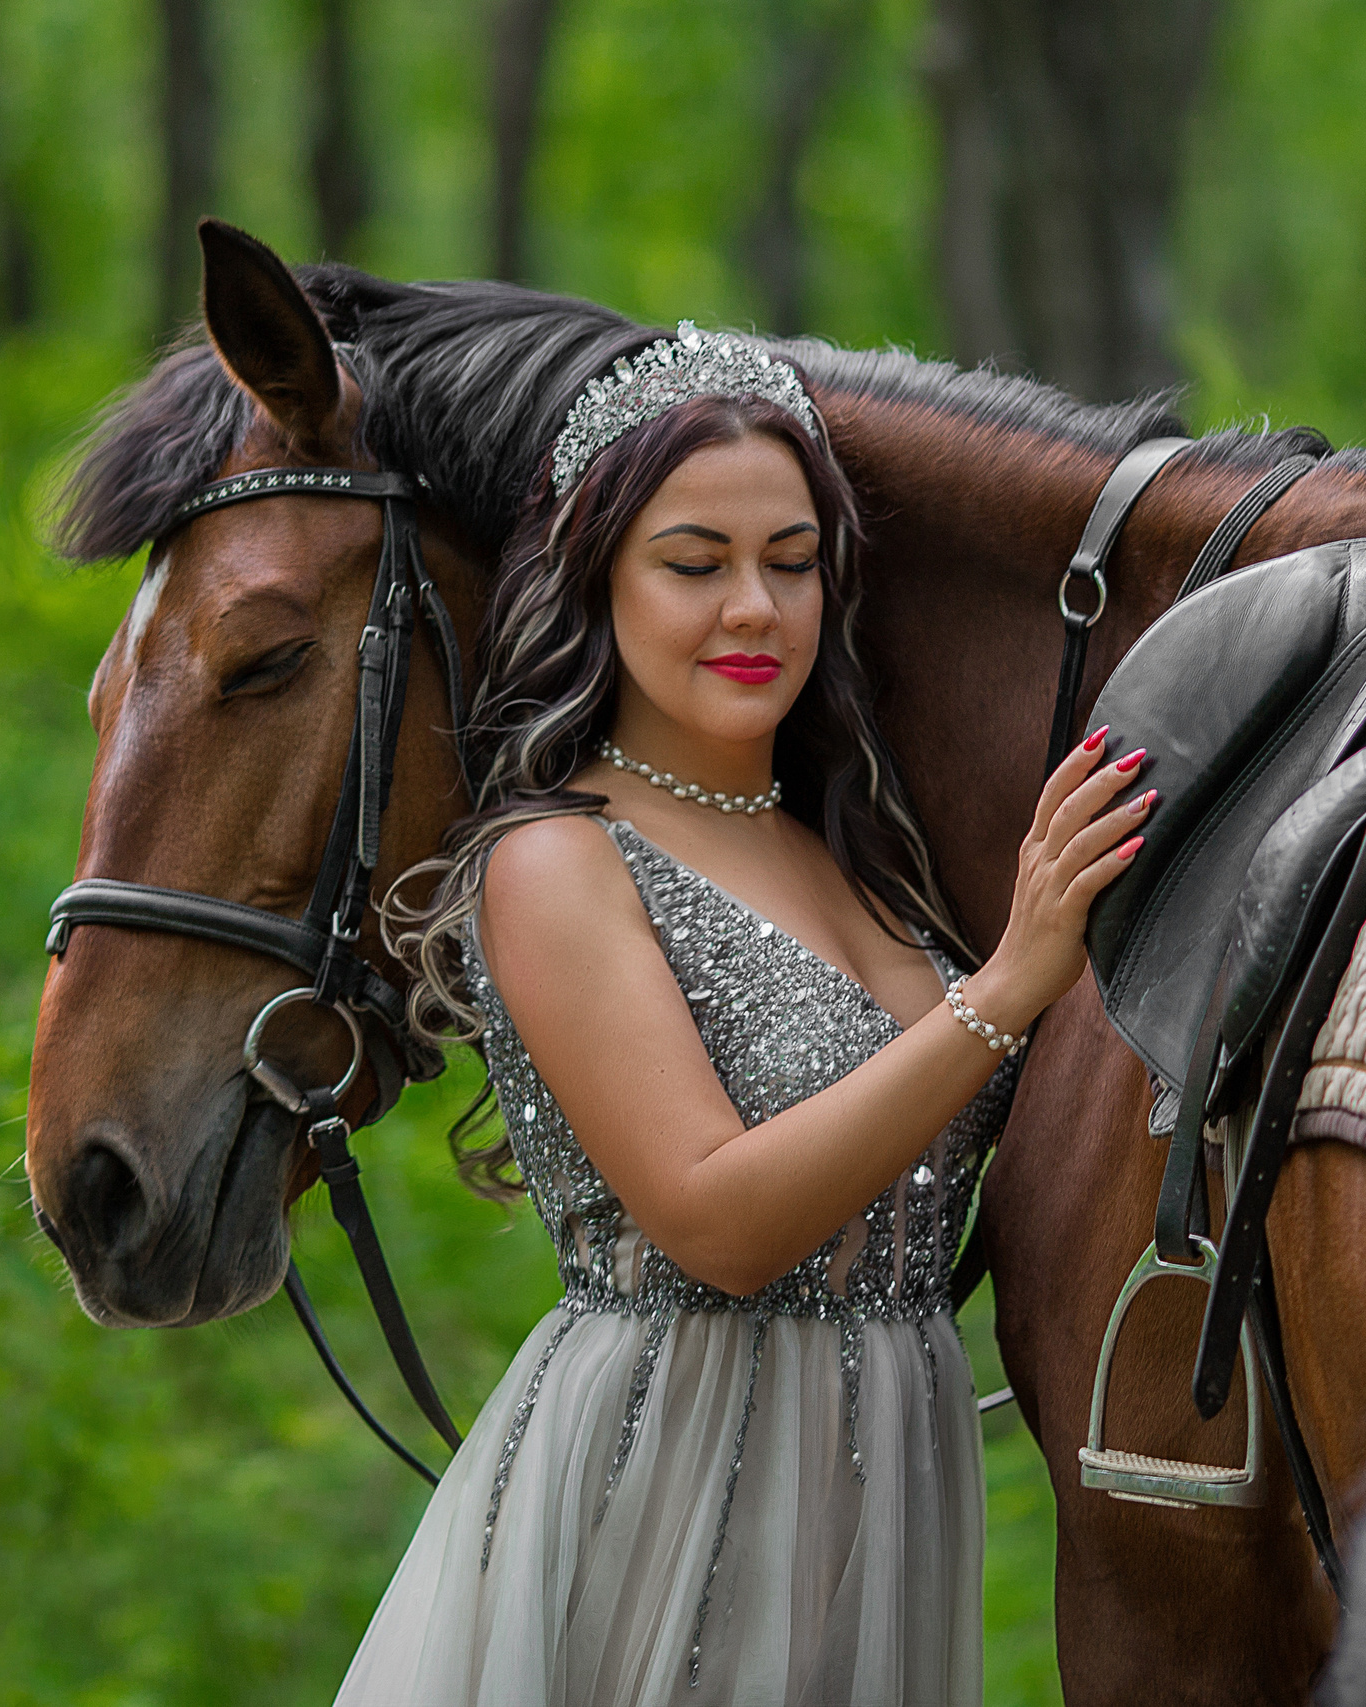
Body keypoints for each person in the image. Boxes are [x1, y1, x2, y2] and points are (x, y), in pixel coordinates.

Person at [338, 325, 1154, 1706]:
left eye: (791, 561)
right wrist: (1011, 984)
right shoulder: (557, 858)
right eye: (694, 564)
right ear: (596, 577)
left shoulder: (864, 854)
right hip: (672, 1486)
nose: (755, 609)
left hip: (881, 1486)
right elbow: (717, 1223)